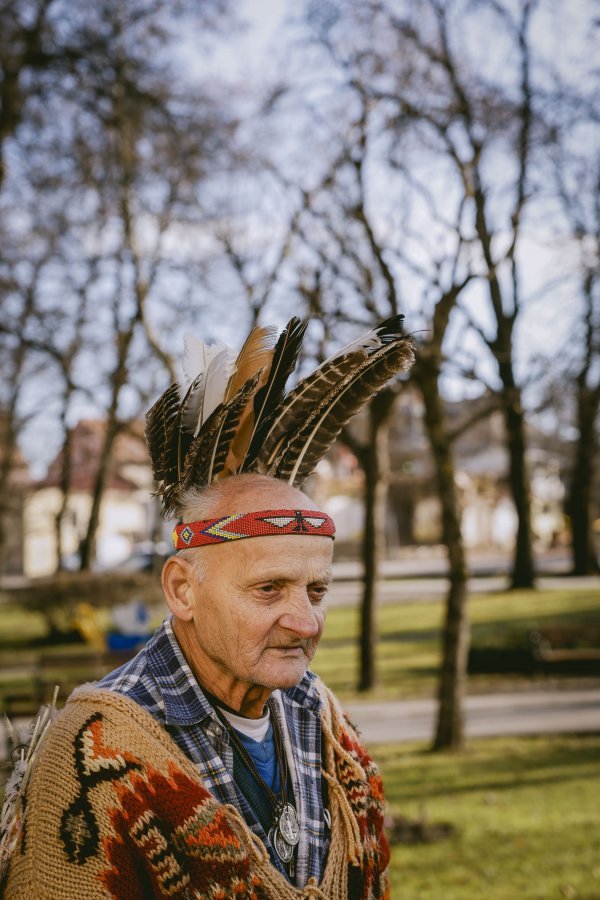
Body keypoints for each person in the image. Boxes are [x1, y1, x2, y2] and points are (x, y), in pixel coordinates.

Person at [2, 317, 414, 899]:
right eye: (268, 589)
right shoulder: (94, 751)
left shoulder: (319, 714)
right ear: (182, 590)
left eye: (316, 590)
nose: (306, 621)